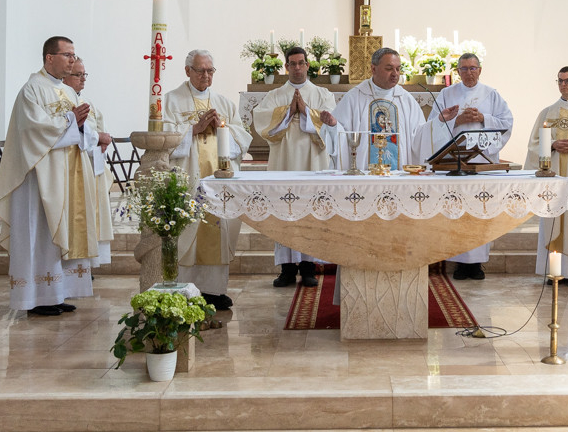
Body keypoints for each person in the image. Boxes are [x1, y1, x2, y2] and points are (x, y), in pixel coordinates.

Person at [0, 37, 104, 316]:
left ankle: (56, 293)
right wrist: (70, 120)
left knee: (60, 232)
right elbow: (33, 130)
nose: (72, 60)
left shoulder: (68, 92)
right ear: (49, 58)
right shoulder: (32, 89)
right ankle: (35, 298)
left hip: (67, 174)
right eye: (67, 55)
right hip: (38, 178)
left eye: (73, 55)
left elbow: (85, 131)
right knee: (39, 232)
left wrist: (83, 127)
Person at [166, 49, 252, 311]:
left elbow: (243, 140)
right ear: (187, 71)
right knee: (187, 231)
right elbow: (164, 140)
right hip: (188, 181)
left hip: (218, 182)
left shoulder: (223, 103)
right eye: (200, 70)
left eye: (210, 70)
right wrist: (194, 129)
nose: (206, 75)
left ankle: (214, 290)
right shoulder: (171, 101)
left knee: (217, 229)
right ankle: (184, 289)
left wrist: (222, 127)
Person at [419, 53, 514, 280]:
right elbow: (432, 125)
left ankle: (476, 264)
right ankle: (460, 264)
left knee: (480, 211)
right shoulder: (446, 94)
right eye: (464, 68)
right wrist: (457, 120)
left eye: (473, 68)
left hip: (481, 161)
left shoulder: (491, 94)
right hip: (454, 160)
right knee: (456, 210)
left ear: (480, 70)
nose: (469, 72)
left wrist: (483, 118)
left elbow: (507, 123)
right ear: (457, 71)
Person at [255, 46, 337, 288]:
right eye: (293, 64)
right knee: (284, 210)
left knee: (310, 210)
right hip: (283, 162)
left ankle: (308, 267)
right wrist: (288, 111)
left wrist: (307, 113)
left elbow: (332, 124)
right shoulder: (275, 96)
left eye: (301, 63)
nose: (298, 68)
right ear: (286, 67)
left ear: (308, 66)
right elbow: (263, 125)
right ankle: (287, 269)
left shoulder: (322, 94)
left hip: (314, 163)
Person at [522, 66, 568, 282]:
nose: (563, 85)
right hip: (553, 176)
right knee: (553, 219)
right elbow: (534, 144)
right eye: (560, 81)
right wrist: (552, 144)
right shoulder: (547, 112)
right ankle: (555, 271)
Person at [322, 47, 426, 171]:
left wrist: (438, 123)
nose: (395, 74)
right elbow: (342, 136)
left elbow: (421, 136)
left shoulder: (406, 100)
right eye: (389, 69)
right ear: (373, 69)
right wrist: (334, 126)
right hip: (365, 175)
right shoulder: (354, 97)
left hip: (398, 176)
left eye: (398, 69)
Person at [62, 57, 115, 268]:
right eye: (78, 74)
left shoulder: (88, 103)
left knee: (94, 216)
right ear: (65, 76)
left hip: (94, 166)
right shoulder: (63, 101)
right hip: (74, 168)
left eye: (84, 74)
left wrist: (103, 140)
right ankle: (77, 266)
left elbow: (100, 128)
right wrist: (97, 138)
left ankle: (90, 264)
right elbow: (70, 131)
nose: (83, 79)